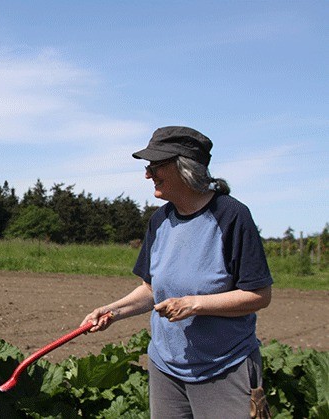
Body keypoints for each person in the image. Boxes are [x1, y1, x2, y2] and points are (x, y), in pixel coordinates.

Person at [81, 126, 272, 418]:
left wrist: (193, 304)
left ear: (185, 169)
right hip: (166, 369)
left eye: (155, 166)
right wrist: (112, 311)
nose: (147, 174)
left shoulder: (231, 216)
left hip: (223, 367)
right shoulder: (160, 220)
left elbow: (258, 295)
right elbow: (150, 289)